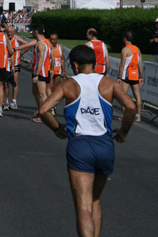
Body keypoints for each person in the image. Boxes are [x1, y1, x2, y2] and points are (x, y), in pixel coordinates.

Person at [39, 45, 136, 237]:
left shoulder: (68, 84)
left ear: (75, 65)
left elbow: (43, 110)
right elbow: (131, 107)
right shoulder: (109, 83)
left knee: (83, 206)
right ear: (94, 62)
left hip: (80, 146)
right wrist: (123, 132)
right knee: (95, 200)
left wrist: (57, 128)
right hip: (105, 145)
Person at [30, 25, 54, 123]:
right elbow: (52, 56)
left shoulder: (41, 44)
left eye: (32, 31)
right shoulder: (46, 43)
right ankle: (41, 111)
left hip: (41, 72)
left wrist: (36, 75)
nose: (31, 33)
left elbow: (40, 61)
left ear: (36, 31)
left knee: (42, 94)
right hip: (43, 71)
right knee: (35, 92)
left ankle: (44, 115)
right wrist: (51, 69)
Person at [117, 31, 143, 122]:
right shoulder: (137, 49)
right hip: (135, 75)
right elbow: (140, 65)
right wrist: (141, 76)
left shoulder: (125, 50)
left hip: (126, 76)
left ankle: (125, 115)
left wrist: (119, 77)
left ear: (125, 38)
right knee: (137, 95)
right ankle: (138, 115)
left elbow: (122, 64)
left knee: (122, 95)